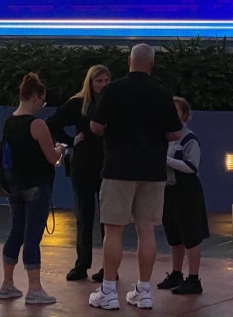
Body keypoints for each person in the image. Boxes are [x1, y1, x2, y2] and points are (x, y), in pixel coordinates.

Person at [88, 44, 182, 311]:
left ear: (129, 61)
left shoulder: (113, 90)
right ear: (151, 65)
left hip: (118, 169)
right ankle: (144, 291)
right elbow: (175, 133)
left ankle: (108, 290)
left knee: (114, 229)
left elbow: (96, 126)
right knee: (146, 229)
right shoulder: (162, 94)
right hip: (152, 171)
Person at [0, 73, 63, 306]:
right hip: (36, 186)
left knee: (16, 230)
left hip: (14, 186)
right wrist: (61, 149)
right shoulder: (37, 124)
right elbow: (51, 156)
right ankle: (34, 288)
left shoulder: (8, 122)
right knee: (32, 237)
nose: (42, 106)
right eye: (42, 101)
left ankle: (7, 283)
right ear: (35, 97)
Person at [46, 64, 110, 282]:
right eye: (98, 81)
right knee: (84, 216)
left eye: (105, 81)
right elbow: (52, 123)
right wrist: (71, 141)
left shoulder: (113, 103)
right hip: (82, 165)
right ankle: (82, 264)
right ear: (90, 83)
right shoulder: (77, 104)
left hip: (107, 165)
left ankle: (109, 267)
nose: (102, 85)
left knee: (108, 219)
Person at [157, 96, 210, 296]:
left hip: (186, 191)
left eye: (176, 112)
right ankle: (176, 273)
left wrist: (166, 160)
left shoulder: (189, 139)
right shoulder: (165, 136)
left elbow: (191, 166)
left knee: (191, 236)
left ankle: (194, 279)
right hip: (168, 190)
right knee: (174, 235)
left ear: (185, 115)